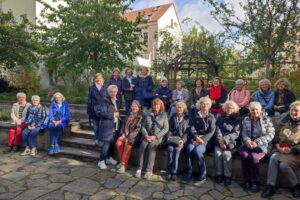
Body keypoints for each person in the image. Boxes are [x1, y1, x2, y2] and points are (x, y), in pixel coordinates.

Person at [261, 101, 300, 198]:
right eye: (292, 110)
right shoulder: (284, 121)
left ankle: (296, 186)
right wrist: (278, 146)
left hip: (295, 153)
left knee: (283, 165)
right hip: (281, 150)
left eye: (296, 110)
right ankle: (270, 186)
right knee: (274, 156)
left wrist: (292, 150)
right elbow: (275, 137)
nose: (293, 112)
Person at [240, 102, 275, 193]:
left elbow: (271, 134)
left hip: (262, 144)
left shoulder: (266, 119)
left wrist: (257, 142)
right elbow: (243, 132)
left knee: (255, 158)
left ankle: (256, 182)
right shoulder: (246, 119)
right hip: (249, 143)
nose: (255, 111)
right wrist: (247, 140)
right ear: (250, 110)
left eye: (257, 109)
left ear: (260, 110)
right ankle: (247, 180)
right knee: (244, 155)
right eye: (252, 109)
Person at [182, 96, 216, 185]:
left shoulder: (211, 117)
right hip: (195, 139)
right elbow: (191, 128)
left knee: (197, 150)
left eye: (207, 104)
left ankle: (202, 175)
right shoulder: (195, 115)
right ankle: (189, 173)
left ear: (209, 106)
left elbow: (211, 132)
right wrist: (195, 137)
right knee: (189, 148)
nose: (204, 106)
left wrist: (202, 139)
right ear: (199, 105)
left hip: (206, 142)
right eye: (203, 104)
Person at [135, 98, 169, 179]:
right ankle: (139, 168)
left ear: (161, 106)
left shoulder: (164, 115)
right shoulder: (148, 113)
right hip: (147, 136)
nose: (156, 106)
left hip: (157, 138)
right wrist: (146, 135)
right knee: (143, 145)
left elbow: (166, 128)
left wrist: (156, 137)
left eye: (157, 105)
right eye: (154, 105)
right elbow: (143, 126)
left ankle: (149, 170)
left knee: (151, 147)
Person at [214, 101, 240, 186]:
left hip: (231, 143)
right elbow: (217, 129)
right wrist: (220, 140)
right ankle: (219, 174)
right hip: (219, 141)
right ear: (224, 109)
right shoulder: (221, 117)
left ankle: (227, 176)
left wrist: (225, 140)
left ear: (234, 109)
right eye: (227, 108)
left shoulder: (237, 119)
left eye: (231, 108)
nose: (229, 109)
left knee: (226, 154)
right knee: (218, 154)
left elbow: (236, 133)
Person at [95, 85, 120, 169]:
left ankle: (109, 158)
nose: (113, 93)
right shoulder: (105, 101)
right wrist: (113, 115)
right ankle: (101, 161)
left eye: (115, 92)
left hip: (115, 126)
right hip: (107, 126)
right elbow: (102, 114)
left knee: (112, 143)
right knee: (106, 143)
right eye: (111, 92)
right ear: (108, 92)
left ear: (117, 92)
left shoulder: (117, 100)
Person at [116, 100, 143, 173]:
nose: (134, 108)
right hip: (126, 134)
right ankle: (123, 162)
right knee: (118, 142)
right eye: (132, 106)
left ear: (139, 107)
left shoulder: (140, 116)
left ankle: (123, 165)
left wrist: (129, 137)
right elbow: (123, 124)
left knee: (128, 144)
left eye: (135, 106)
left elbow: (138, 129)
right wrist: (123, 134)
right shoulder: (129, 114)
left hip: (135, 137)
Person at [166, 101, 189, 181]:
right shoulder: (173, 117)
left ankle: (174, 172)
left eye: (181, 108)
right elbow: (170, 129)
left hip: (180, 140)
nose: (179, 109)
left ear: (183, 109)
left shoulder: (187, 118)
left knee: (177, 150)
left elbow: (187, 132)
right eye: (177, 107)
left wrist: (183, 140)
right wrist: (169, 136)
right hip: (172, 139)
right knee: (170, 149)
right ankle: (168, 171)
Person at [87, 73, 107, 145]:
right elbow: (89, 100)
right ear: (95, 79)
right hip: (94, 109)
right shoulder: (91, 88)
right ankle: (97, 139)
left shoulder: (105, 87)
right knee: (95, 126)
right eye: (97, 78)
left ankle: (100, 139)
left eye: (100, 78)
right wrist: (89, 110)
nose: (99, 79)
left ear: (102, 79)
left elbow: (107, 99)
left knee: (102, 125)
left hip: (103, 110)